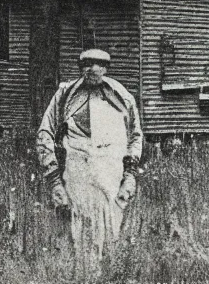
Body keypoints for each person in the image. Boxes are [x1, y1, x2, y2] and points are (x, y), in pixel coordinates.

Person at [36, 48, 143, 275]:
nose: (90, 69)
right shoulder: (66, 94)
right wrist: (54, 179)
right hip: (77, 170)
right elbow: (45, 132)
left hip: (110, 170)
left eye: (96, 64)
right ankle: (81, 275)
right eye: (85, 64)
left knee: (112, 229)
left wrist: (130, 175)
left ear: (105, 68)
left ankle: (111, 275)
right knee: (78, 229)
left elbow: (135, 136)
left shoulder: (122, 96)